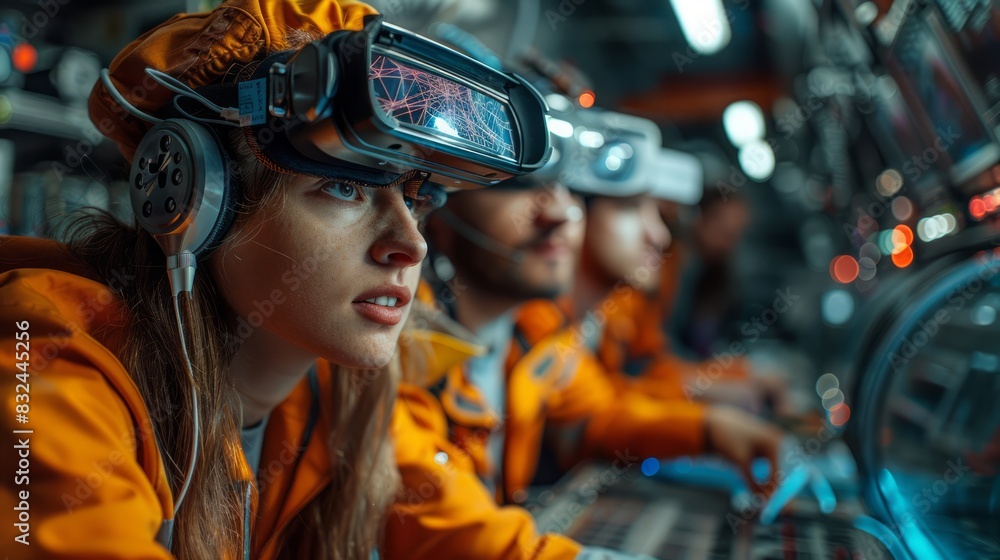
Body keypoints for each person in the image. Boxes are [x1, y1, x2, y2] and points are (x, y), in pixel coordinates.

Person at [0, 0, 554, 557]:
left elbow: (490, 542)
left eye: (417, 199)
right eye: (344, 188)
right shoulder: (48, 362)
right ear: (195, 199)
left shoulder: (341, 395)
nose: (411, 244)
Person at [403, 102, 785, 517]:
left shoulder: (539, 337)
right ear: (434, 204)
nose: (561, 212)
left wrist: (711, 428)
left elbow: (600, 412)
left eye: (568, 189)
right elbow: (449, 527)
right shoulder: (398, 348)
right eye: (517, 184)